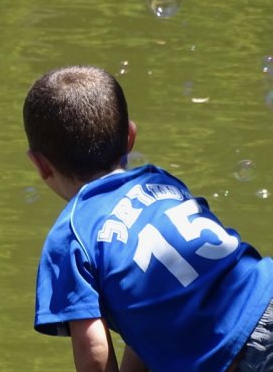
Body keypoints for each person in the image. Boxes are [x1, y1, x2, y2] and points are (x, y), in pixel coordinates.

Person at [22, 65, 273, 371]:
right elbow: (148, 316)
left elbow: (94, 355)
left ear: (40, 165)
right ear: (130, 137)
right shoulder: (161, 183)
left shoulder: (71, 236)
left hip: (242, 350)